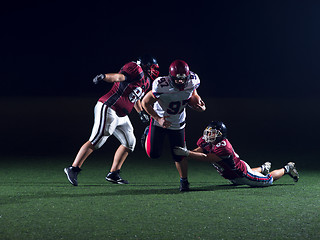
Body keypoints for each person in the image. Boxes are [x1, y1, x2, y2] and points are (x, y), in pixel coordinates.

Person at [64, 55, 160, 186]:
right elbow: (118, 77)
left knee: (129, 142)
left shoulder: (147, 81)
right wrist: (104, 76)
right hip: (109, 107)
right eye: (152, 67)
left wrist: (140, 112)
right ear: (144, 65)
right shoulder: (135, 69)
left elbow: (135, 97)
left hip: (122, 115)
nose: (153, 70)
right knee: (97, 139)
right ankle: (73, 168)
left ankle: (113, 173)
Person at [141, 59, 206, 192]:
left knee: (179, 154)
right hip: (159, 121)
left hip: (178, 123)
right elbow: (145, 102)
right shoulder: (161, 85)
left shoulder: (193, 81)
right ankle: (148, 132)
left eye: (183, 79)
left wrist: (198, 103)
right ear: (170, 77)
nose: (181, 82)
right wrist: (158, 119)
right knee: (153, 154)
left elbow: (193, 93)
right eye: (177, 79)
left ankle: (184, 181)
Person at [173, 121, 299, 187]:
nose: (209, 135)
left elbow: (207, 157)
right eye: (208, 132)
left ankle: (287, 168)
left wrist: (187, 154)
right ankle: (262, 168)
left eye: (213, 133)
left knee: (268, 180)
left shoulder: (224, 147)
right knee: (249, 173)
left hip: (242, 174)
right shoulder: (206, 141)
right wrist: (187, 153)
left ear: (220, 134)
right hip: (232, 175)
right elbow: (199, 151)